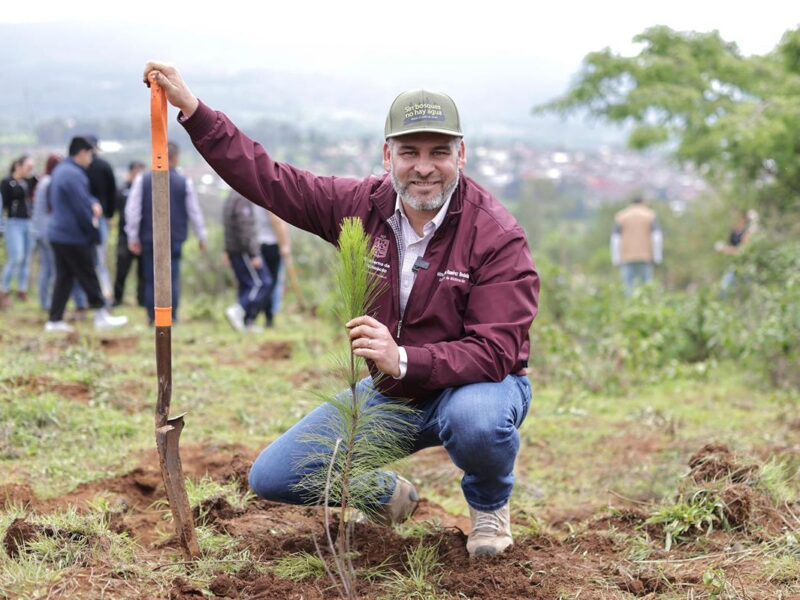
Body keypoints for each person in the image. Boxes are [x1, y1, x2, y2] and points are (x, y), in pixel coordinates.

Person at [144, 62, 539, 559]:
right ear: (386, 154)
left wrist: (405, 360)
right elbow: (272, 181)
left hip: (478, 387)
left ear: (461, 154)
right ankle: (390, 497)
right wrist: (194, 112)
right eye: (408, 152)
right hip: (397, 394)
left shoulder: (495, 234)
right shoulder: (362, 207)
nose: (423, 167)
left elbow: (497, 350)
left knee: (477, 421)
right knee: (275, 475)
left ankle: (488, 509)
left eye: (439, 152)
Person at [44, 137, 128, 333]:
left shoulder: (62, 171)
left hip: (59, 233)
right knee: (88, 273)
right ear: (81, 153)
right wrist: (94, 233)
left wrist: (92, 202)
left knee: (64, 277)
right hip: (72, 235)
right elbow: (82, 208)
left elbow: (83, 200)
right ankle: (101, 315)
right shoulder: (73, 175)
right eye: (90, 154)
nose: (92, 158)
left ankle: (54, 320)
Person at [125, 141, 208, 325]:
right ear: (176, 158)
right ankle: (172, 317)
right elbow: (194, 212)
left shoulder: (143, 180)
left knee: (150, 278)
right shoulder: (184, 182)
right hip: (175, 238)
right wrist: (202, 236)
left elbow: (133, 211)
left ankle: (152, 317)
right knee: (173, 278)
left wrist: (133, 236)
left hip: (149, 238)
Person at [31, 154, 89, 313]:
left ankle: (46, 302)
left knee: (47, 270)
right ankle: (57, 305)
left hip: (39, 231)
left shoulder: (43, 181)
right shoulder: (51, 182)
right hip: (50, 232)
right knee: (59, 271)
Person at [223, 190, 273, 332]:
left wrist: (226, 249)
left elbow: (228, 227)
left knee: (247, 285)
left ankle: (247, 323)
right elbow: (245, 229)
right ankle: (239, 310)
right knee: (262, 283)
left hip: (235, 250)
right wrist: (254, 254)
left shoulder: (232, 197)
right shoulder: (241, 199)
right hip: (244, 251)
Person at [1, 155, 37, 307]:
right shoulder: (7, 183)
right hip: (14, 222)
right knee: (17, 256)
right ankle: (4, 289)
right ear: (18, 166)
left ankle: (22, 290)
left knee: (26, 258)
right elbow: (2, 205)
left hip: (29, 223)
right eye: (28, 167)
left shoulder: (30, 182)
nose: (30, 170)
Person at [85, 136, 117, 300]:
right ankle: (105, 294)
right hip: (102, 218)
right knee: (100, 260)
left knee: (87, 259)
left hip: (83, 219)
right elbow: (113, 192)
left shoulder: (79, 168)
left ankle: (92, 296)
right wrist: (110, 214)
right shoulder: (104, 166)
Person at [610, 195, 663, 296]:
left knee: (628, 287)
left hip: (626, 257)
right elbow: (657, 237)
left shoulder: (621, 216)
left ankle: (629, 309)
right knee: (647, 287)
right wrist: (657, 257)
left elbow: (615, 239)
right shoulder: (650, 215)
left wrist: (616, 259)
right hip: (646, 256)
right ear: (643, 202)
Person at [113, 161, 146, 307]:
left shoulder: (145, 189)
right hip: (124, 236)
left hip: (143, 236)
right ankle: (117, 299)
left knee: (143, 272)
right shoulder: (122, 190)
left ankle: (142, 300)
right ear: (132, 172)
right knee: (121, 270)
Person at [254, 206, 292, 326]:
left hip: (259, 243)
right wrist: (285, 244)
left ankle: (266, 317)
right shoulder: (270, 196)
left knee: (266, 282)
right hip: (271, 244)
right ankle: (262, 316)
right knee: (271, 283)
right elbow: (277, 220)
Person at [715, 208, 757, 292]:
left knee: (749, 289)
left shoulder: (747, 232)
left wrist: (725, 249)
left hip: (745, 266)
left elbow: (742, 251)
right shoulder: (733, 233)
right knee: (725, 289)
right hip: (735, 266)